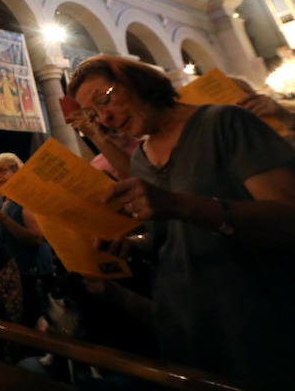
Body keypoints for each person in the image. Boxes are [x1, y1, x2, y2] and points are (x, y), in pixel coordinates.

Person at [68, 54, 295, 389]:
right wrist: (129, 246)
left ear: (138, 81)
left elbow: (287, 216)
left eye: (105, 99)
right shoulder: (142, 160)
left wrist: (179, 205)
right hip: (187, 329)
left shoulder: (224, 122)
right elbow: (170, 240)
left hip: (257, 322)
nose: (106, 117)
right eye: (95, 114)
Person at [0, 153, 54, 328]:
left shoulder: (27, 198)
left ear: (17, 170)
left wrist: (4, 220)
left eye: (2, 170)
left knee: (34, 322)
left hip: (32, 272)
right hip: (14, 275)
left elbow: (36, 239)